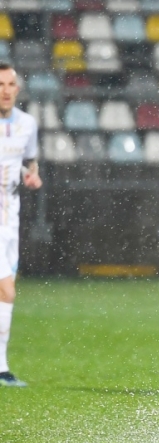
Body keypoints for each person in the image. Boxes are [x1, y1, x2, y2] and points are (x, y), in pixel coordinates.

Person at [0, 62, 43, 387]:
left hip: (10, 217)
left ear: (17, 88)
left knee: (5, 291)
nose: (5, 90)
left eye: (9, 84)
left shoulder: (27, 123)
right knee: (7, 290)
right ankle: (1, 368)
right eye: (0, 84)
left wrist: (32, 174)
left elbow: (30, 159)